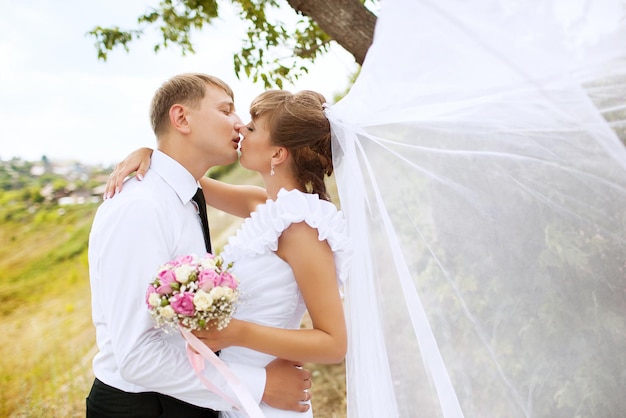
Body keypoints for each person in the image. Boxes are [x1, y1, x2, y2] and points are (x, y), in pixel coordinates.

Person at [103, 89, 350, 417]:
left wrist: (236, 332)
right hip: (231, 388)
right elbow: (182, 175)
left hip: (267, 400)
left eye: (252, 128)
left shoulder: (303, 229)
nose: (240, 130)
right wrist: (148, 152)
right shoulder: (259, 204)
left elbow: (334, 343)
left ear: (277, 154)